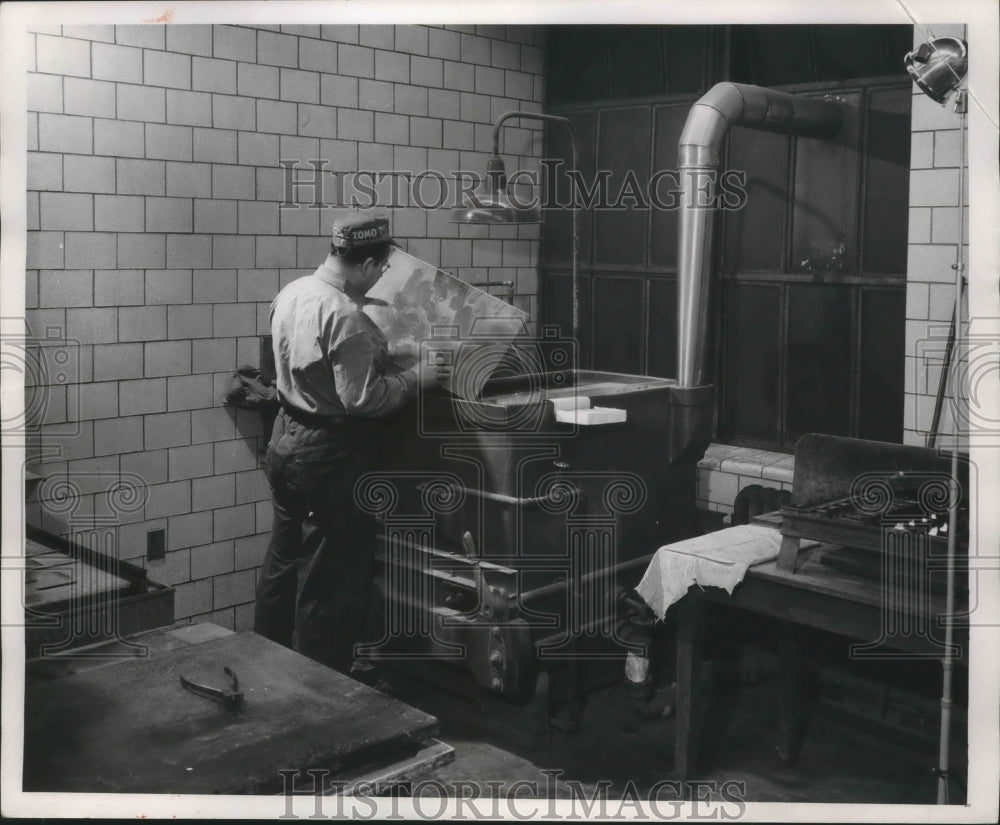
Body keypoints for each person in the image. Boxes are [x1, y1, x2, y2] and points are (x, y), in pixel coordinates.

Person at [253, 212, 447, 675]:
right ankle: (321, 690)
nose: (383, 277)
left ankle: (265, 666)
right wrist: (418, 377)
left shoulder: (294, 292)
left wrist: (379, 352)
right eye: (382, 267)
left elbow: (307, 359)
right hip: (329, 454)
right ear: (364, 264)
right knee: (328, 574)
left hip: (285, 438)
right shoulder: (347, 316)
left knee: (283, 559)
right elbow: (364, 400)